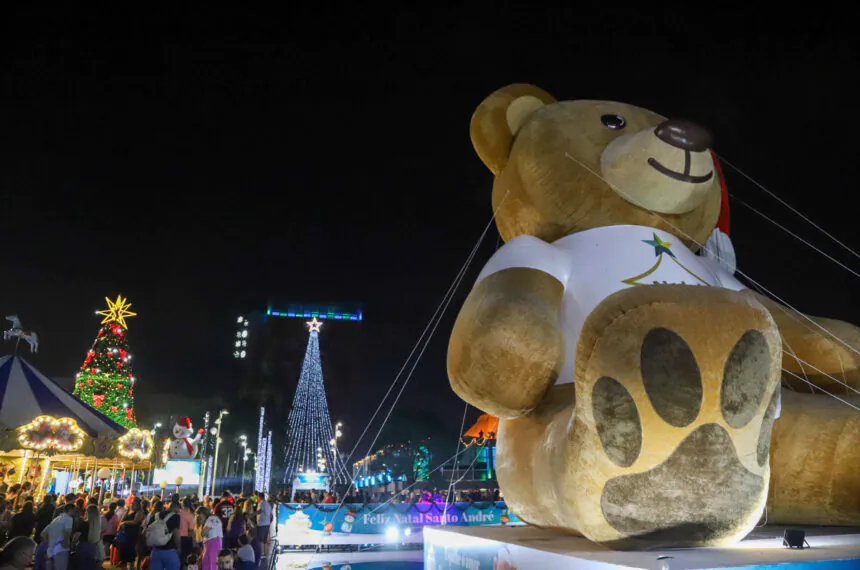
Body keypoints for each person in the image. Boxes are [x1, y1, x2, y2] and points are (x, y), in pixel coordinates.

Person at [41, 503, 78, 570]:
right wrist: (67, 547)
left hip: (50, 551)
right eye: (74, 510)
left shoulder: (55, 519)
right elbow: (67, 534)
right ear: (70, 510)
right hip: (61, 550)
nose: (75, 512)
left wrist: (49, 544)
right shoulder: (69, 519)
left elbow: (43, 534)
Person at [149, 501, 181, 570]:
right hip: (169, 551)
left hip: (155, 551)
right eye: (179, 509)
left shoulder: (155, 516)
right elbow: (176, 533)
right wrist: (179, 548)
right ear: (176, 508)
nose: (179, 511)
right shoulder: (175, 516)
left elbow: (147, 531)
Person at [117, 498, 145, 570]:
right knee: (123, 552)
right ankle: (124, 566)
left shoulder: (139, 512)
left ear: (138, 505)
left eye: (134, 503)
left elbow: (135, 522)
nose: (132, 504)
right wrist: (121, 524)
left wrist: (125, 523)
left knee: (130, 552)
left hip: (132, 534)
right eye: (132, 503)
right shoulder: (129, 509)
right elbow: (122, 519)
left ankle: (131, 567)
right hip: (124, 533)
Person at [75, 505, 101, 570]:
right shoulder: (97, 525)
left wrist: (73, 544)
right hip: (93, 547)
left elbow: (77, 535)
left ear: (88, 513)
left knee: (80, 566)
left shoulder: (84, 524)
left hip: (82, 546)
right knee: (89, 566)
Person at [178, 499, 195, 569]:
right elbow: (190, 530)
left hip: (178, 538)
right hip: (187, 539)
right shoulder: (190, 516)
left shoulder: (177, 514)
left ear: (182, 505)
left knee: (179, 557)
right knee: (186, 558)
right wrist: (193, 541)